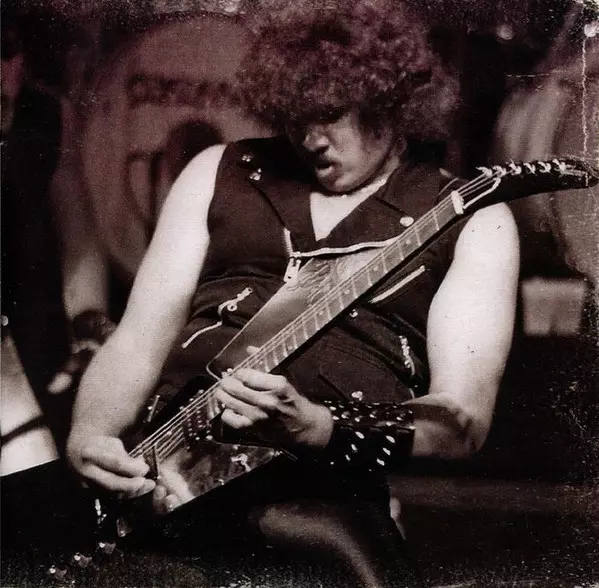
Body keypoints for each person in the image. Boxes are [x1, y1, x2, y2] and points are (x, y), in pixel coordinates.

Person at [67, 1, 519, 586]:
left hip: (318, 500)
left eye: (329, 114)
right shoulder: (217, 171)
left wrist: (320, 425)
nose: (310, 140)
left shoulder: (471, 217)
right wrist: (90, 434)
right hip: (164, 481)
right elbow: (135, 344)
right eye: (294, 117)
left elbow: (462, 421)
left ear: (390, 99)